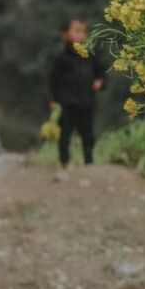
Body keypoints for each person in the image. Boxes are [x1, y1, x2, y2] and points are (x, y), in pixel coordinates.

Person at [47, 18, 106, 176]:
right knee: (64, 135)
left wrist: (99, 81)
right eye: (77, 31)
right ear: (65, 34)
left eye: (83, 31)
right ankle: (65, 164)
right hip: (67, 103)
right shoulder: (61, 59)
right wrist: (54, 99)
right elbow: (54, 81)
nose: (81, 35)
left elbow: (102, 72)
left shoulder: (91, 55)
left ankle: (89, 164)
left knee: (87, 135)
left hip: (86, 102)